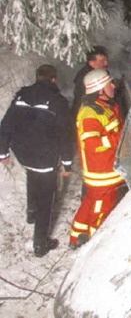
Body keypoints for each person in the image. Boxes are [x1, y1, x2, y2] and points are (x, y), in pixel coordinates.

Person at [0, 65, 74, 257]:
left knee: (32, 174)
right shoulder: (58, 102)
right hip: (45, 156)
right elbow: (65, 134)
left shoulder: (21, 96)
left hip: (23, 153)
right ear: (54, 79)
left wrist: (3, 152)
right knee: (46, 198)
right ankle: (40, 243)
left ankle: (31, 212)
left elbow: (6, 124)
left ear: (37, 77)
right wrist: (67, 163)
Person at [70, 69, 127, 248]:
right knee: (101, 211)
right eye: (108, 84)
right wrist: (122, 138)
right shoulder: (90, 113)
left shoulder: (104, 107)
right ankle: (95, 246)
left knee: (89, 204)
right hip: (102, 174)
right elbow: (93, 144)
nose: (112, 86)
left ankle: (76, 236)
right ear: (99, 90)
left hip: (106, 169)